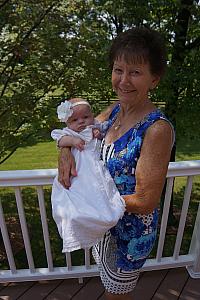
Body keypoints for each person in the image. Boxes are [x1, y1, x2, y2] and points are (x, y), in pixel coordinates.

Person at [57, 27, 175, 300]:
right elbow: (78, 135)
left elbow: (146, 200)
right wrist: (63, 149)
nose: (123, 80)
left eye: (135, 72)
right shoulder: (113, 111)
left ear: (154, 79)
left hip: (128, 236)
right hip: (105, 226)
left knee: (117, 295)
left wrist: (90, 201)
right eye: (118, 69)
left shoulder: (156, 129)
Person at [51, 98, 125, 252]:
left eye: (85, 117)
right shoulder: (69, 132)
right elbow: (59, 139)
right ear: (67, 122)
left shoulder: (95, 128)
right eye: (75, 119)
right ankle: (79, 230)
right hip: (79, 169)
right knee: (75, 197)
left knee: (99, 194)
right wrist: (71, 141)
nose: (81, 122)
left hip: (94, 168)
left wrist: (97, 132)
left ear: (92, 115)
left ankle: (98, 223)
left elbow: (101, 132)